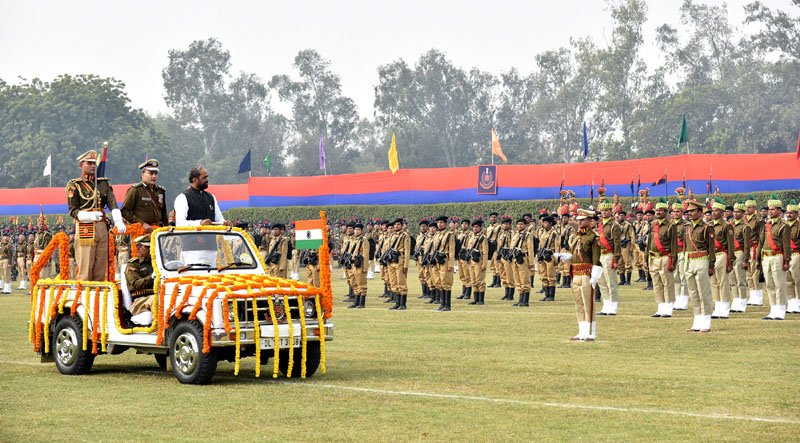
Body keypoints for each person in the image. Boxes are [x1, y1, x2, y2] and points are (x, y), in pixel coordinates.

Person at [66, 150, 126, 282]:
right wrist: (90, 216)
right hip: (85, 227)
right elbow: (73, 210)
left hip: (101, 227)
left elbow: (112, 203)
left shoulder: (103, 184)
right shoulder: (75, 185)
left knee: (100, 267)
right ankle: (85, 298)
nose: (93, 166)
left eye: (94, 163)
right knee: (85, 268)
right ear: (81, 165)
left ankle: (99, 297)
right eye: (89, 163)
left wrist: (118, 220)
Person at [756, 195, 791, 320]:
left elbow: (787, 245)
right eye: (769, 209)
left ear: (779, 211)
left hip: (778, 256)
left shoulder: (784, 225)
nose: (770, 211)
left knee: (779, 284)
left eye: (773, 209)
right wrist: (757, 259)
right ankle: (773, 308)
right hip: (766, 257)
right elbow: (761, 242)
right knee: (769, 284)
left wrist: (787, 261)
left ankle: (781, 309)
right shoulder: (766, 225)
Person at [569, 208, 602, 341]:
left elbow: (596, 257)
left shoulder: (593, 236)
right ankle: (581, 331)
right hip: (576, 272)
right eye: (579, 220)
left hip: (587, 273)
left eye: (583, 220)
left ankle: (590, 332)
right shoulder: (577, 236)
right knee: (579, 304)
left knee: (588, 304)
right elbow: (575, 254)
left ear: (590, 221)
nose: (580, 222)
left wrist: (595, 275)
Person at [684, 199, 716, 332]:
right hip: (689, 260)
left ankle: (706, 319)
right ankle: (697, 319)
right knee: (693, 292)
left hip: (702, 259)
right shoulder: (687, 227)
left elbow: (711, 248)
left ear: (700, 212)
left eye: (692, 211)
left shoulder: (707, 227)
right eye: (689, 211)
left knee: (704, 291)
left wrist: (711, 265)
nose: (690, 213)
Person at [647, 198, 678, 318]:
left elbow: (674, 245)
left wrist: (673, 261)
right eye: (657, 210)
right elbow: (649, 243)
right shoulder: (653, 225)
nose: (658, 212)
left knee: (667, 283)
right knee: (657, 283)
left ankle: (668, 308)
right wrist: (646, 259)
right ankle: (660, 307)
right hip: (653, 257)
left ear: (666, 212)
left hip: (665, 257)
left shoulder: (671, 226)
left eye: (661, 210)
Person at [122, 159, 168, 231]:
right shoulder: (135, 190)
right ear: (142, 174)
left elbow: (164, 213)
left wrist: (166, 228)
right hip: (141, 231)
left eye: (156, 173)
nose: (154, 176)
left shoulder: (160, 191)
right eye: (151, 173)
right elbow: (125, 211)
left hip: (158, 230)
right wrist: (142, 223)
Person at [710, 197, 735, 319]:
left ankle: (725, 307)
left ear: (722, 212)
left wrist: (730, 261)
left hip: (722, 254)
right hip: (712, 256)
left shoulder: (726, 226)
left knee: (723, 282)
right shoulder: (709, 225)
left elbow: (731, 244)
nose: (713, 213)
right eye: (712, 210)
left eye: (716, 210)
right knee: (714, 282)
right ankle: (717, 306)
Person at [596, 198, 622, 316]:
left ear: (611, 211)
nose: (604, 212)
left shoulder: (614, 226)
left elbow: (617, 244)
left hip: (609, 254)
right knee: (601, 282)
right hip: (600, 255)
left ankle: (613, 305)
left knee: (611, 282)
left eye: (606, 210)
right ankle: (606, 305)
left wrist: (616, 259)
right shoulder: (600, 225)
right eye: (602, 210)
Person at [728, 201, 752, 313]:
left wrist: (746, 260)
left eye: (738, 212)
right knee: (732, 279)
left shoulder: (745, 227)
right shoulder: (730, 225)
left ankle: (742, 302)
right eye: (735, 211)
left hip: (739, 253)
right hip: (730, 254)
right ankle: (735, 301)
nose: (735, 214)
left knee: (740, 279)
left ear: (743, 213)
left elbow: (747, 245)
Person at [125, 234, 155, 323]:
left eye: (150, 247)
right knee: (156, 300)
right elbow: (135, 285)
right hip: (139, 300)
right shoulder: (133, 264)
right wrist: (151, 277)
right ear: (138, 247)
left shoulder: (154, 263)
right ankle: (159, 328)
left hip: (154, 295)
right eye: (146, 247)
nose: (150, 250)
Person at [744, 196, 765, 306]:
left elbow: (761, 236)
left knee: (755, 273)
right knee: (748, 273)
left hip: (754, 247)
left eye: (750, 207)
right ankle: (752, 296)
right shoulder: (744, 219)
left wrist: (759, 250)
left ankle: (758, 297)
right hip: (745, 248)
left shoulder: (758, 220)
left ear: (755, 208)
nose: (747, 209)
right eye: (746, 207)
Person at [387, 218, 411, 311]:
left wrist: (406, 265)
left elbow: (407, 251)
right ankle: (397, 303)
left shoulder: (405, 236)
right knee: (393, 283)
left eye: (398, 224)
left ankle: (403, 304)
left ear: (402, 225)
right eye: (395, 225)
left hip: (400, 260)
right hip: (391, 261)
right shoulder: (392, 235)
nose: (396, 226)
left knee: (401, 282)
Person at [433, 216, 456, 311]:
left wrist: (451, 264)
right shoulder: (437, 234)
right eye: (438, 222)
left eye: (441, 222)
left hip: (445, 260)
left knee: (446, 282)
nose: (439, 224)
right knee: (439, 282)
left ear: (445, 223)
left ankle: (447, 305)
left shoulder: (449, 235)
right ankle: (442, 304)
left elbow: (451, 250)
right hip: (437, 260)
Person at [511, 218, 535, 307]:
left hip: (523, 258)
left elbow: (530, 249)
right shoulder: (515, 234)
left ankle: (525, 301)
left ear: (525, 225)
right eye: (518, 224)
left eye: (521, 224)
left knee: (524, 280)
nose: (519, 226)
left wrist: (531, 262)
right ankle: (520, 299)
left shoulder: (528, 235)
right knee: (517, 280)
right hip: (515, 259)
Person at [347, 223, 370, 309]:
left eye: (358, 230)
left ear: (362, 231)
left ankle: (362, 302)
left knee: (361, 284)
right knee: (354, 283)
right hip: (352, 264)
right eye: (355, 229)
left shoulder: (364, 240)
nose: (356, 231)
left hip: (359, 264)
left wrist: (365, 267)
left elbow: (365, 255)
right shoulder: (353, 239)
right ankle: (356, 302)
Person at [537, 215, 559, 302]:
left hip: (550, 255)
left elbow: (557, 246)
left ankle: (551, 295)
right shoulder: (542, 232)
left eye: (546, 222)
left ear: (550, 223)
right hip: (542, 255)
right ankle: (546, 295)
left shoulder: (554, 233)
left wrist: (557, 258)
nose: (544, 224)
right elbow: (540, 244)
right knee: (543, 275)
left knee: (551, 276)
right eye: (543, 222)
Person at [468, 219, 488, 305]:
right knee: (473, 280)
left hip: (479, 261)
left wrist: (484, 264)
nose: (475, 228)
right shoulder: (471, 236)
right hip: (471, 261)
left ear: (480, 228)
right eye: (474, 227)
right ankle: (475, 298)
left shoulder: (483, 238)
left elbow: (485, 252)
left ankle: (481, 299)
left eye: (477, 227)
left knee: (480, 280)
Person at [785, 200, 800, 314]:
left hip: (796, 254)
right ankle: (791, 303)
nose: (789, 214)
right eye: (787, 212)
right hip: (786, 256)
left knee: (797, 279)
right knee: (788, 280)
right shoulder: (784, 225)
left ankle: (798, 302)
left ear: (796, 214)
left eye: (791, 212)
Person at [496, 217, 515, 300]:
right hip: (501, 254)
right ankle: (506, 292)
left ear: (510, 225)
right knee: (503, 275)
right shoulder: (501, 233)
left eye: (507, 224)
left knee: (509, 275)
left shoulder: (512, 233)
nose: (505, 226)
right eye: (503, 224)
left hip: (508, 255)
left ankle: (511, 294)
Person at [456, 219, 472, 300]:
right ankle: (463, 292)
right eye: (462, 224)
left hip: (465, 255)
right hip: (459, 255)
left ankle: (468, 293)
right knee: (462, 275)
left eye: (465, 224)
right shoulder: (460, 233)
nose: (464, 225)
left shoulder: (470, 234)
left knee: (467, 274)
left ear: (468, 225)